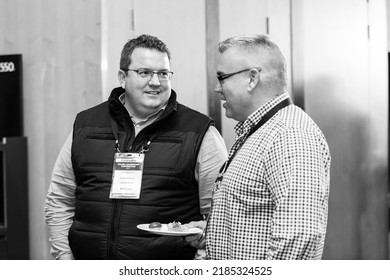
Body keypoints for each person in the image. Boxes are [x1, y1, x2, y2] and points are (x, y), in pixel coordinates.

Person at [44, 34, 228, 260]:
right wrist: (64, 259)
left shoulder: (199, 132)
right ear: (122, 77)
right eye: (144, 72)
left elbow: (221, 216)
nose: (155, 82)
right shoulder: (86, 125)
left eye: (163, 73)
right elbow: (60, 200)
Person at [185, 34, 331, 259]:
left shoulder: (289, 135)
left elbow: (299, 237)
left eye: (222, 77)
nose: (216, 88)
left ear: (252, 79)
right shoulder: (260, 131)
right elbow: (256, 220)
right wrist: (213, 233)